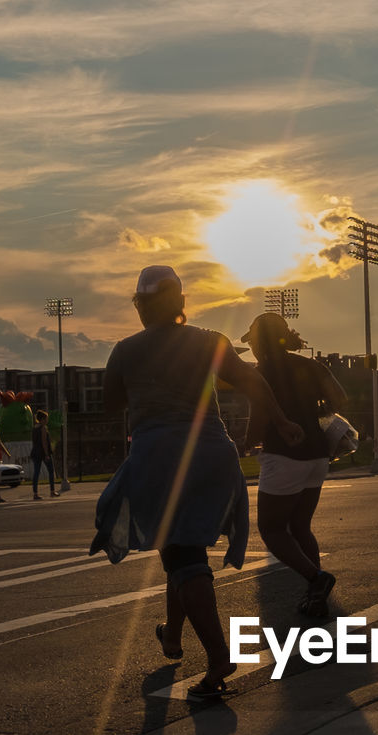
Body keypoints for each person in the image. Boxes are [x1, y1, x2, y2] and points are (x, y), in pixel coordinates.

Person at [90, 265, 304, 701]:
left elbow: (110, 403)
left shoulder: (126, 349)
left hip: (160, 456)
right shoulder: (209, 341)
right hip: (212, 452)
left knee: (181, 556)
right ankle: (172, 635)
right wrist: (281, 420)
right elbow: (251, 380)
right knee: (183, 546)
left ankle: (218, 656)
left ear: (140, 306)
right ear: (181, 302)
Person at [242, 312, 348, 618]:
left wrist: (247, 442)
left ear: (261, 342)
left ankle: (317, 579)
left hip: (284, 455)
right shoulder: (312, 365)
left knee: (271, 528)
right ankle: (315, 597)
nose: (252, 349)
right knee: (301, 526)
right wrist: (316, 408)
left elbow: (259, 415)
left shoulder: (262, 371)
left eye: (252, 342)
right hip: (318, 454)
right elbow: (339, 398)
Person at [31, 409, 58, 499]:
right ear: (42, 419)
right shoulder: (42, 428)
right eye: (46, 419)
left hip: (35, 452)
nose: (47, 421)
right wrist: (46, 454)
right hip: (43, 452)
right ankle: (52, 491)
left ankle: (35, 493)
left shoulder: (35, 428)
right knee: (50, 471)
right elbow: (44, 442)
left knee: (36, 473)